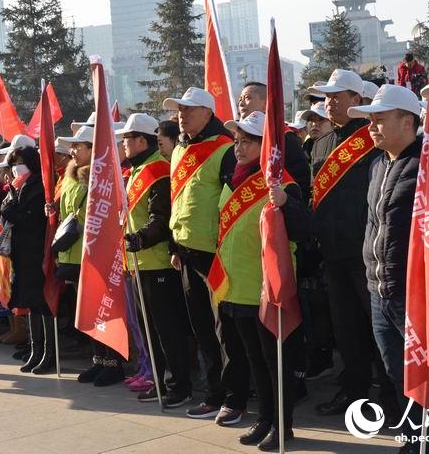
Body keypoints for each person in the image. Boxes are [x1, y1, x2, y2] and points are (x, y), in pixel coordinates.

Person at [216, 112, 309, 450]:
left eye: (247, 141)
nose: (238, 147)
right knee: (255, 361)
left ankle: (283, 425)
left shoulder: (282, 184)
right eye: (237, 141)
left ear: (265, 145)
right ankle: (265, 418)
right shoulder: (232, 180)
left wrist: (286, 204)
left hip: (268, 289)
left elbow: (303, 228)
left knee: (276, 363)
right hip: (237, 286)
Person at [347, 85, 429, 453]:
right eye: (370, 121)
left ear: (408, 121)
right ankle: (413, 440)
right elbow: (373, 223)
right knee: (397, 373)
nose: (372, 128)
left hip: (415, 292)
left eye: (379, 120)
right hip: (379, 290)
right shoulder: (378, 164)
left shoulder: (428, 165)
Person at [308, 70, 394, 417]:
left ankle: (390, 399)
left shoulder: (372, 140)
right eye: (327, 97)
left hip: (366, 254)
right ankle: (353, 393)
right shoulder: (321, 143)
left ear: (358, 101)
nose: (330, 102)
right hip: (332, 253)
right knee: (346, 332)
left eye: (338, 96)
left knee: (379, 333)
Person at [162, 87, 236, 421]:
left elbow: (232, 201)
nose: (181, 114)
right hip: (187, 251)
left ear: (207, 112)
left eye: (188, 109)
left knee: (225, 331)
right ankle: (213, 391)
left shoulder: (225, 149)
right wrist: (175, 246)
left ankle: (233, 397)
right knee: (202, 328)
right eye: (179, 110)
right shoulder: (181, 147)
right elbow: (180, 200)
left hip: (216, 253)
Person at [116, 113, 193, 408]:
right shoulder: (136, 170)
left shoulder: (158, 169)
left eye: (127, 140)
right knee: (149, 329)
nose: (124, 145)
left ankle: (178, 386)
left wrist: (141, 238)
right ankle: (159, 381)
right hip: (138, 264)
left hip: (157, 262)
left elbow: (160, 218)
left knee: (167, 330)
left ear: (141, 141)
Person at [52, 125, 124, 386]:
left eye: (78, 146)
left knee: (104, 310)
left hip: (94, 253)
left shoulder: (102, 174)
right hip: (71, 254)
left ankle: (113, 363)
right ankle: (98, 360)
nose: (72, 150)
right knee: (87, 312)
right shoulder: (70, 176)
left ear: (94, 149)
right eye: (72, 146)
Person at [0, 146, 55, 374]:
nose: (15, 167)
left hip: (36, 252)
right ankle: (35, 350)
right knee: (30, 304)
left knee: (42, 303)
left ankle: (49, 353)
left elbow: (31, 220)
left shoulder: (39, 186)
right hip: (20, 253)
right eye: (13, 163)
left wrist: (10, 211)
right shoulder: (15, 186)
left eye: (20, 161)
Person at [236, 82, 311, 199]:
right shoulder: (239, 132)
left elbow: (300, 177)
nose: (241, 103)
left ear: (266, 103)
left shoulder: (283, 136)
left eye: (247, 98)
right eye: (240, 99)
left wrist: (289, 203)